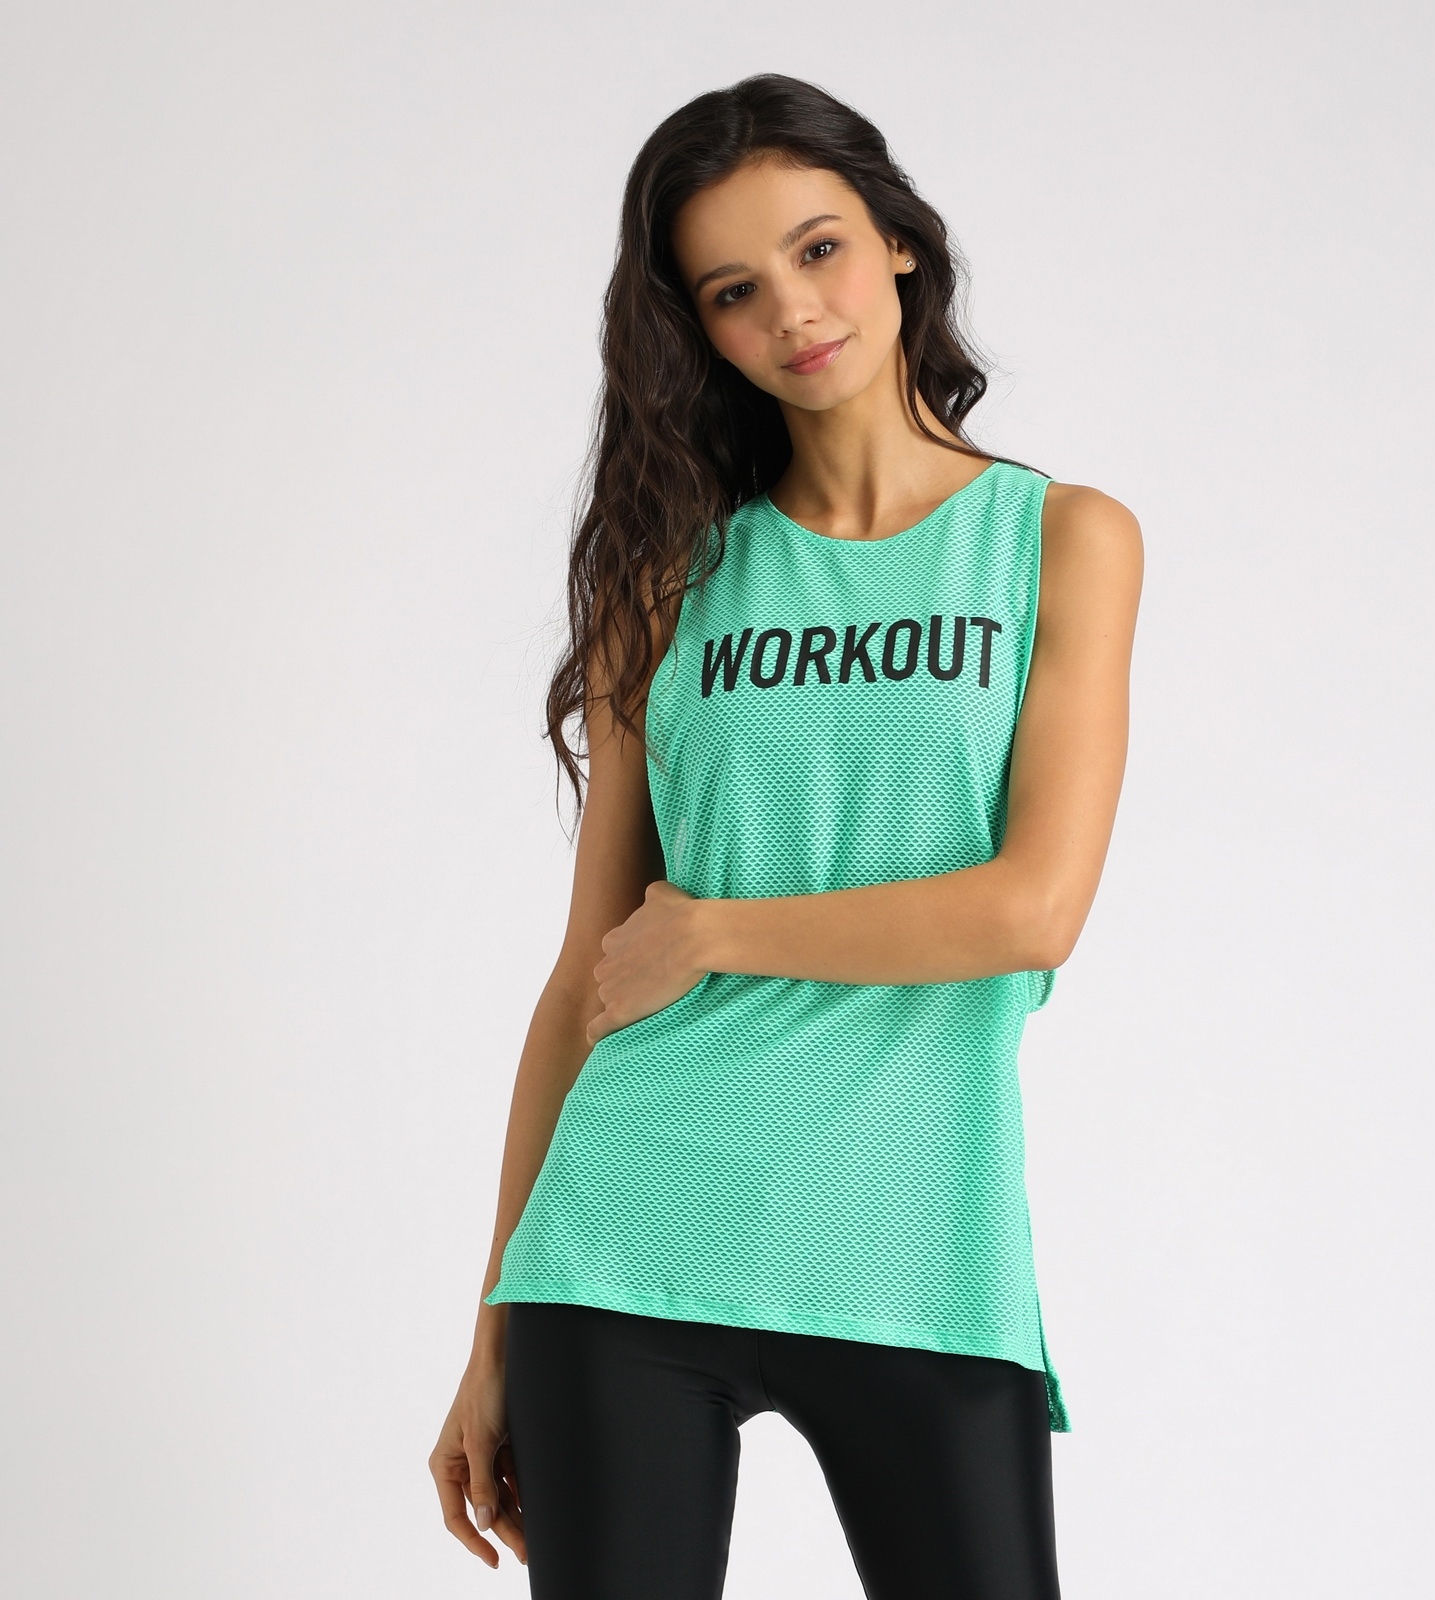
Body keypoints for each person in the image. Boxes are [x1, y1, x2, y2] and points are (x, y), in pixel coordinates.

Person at [428, 72, 1143, 1600]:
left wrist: (720, 932)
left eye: (819, 250)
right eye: (735, 290)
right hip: (621, 1241)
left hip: (915, 1249)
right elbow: (586, 976)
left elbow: (1032, 910)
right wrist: (491, 1328)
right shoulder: (666, 578)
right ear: (699, 328)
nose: (794, 312)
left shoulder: (1056, 539)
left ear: (897, 241)